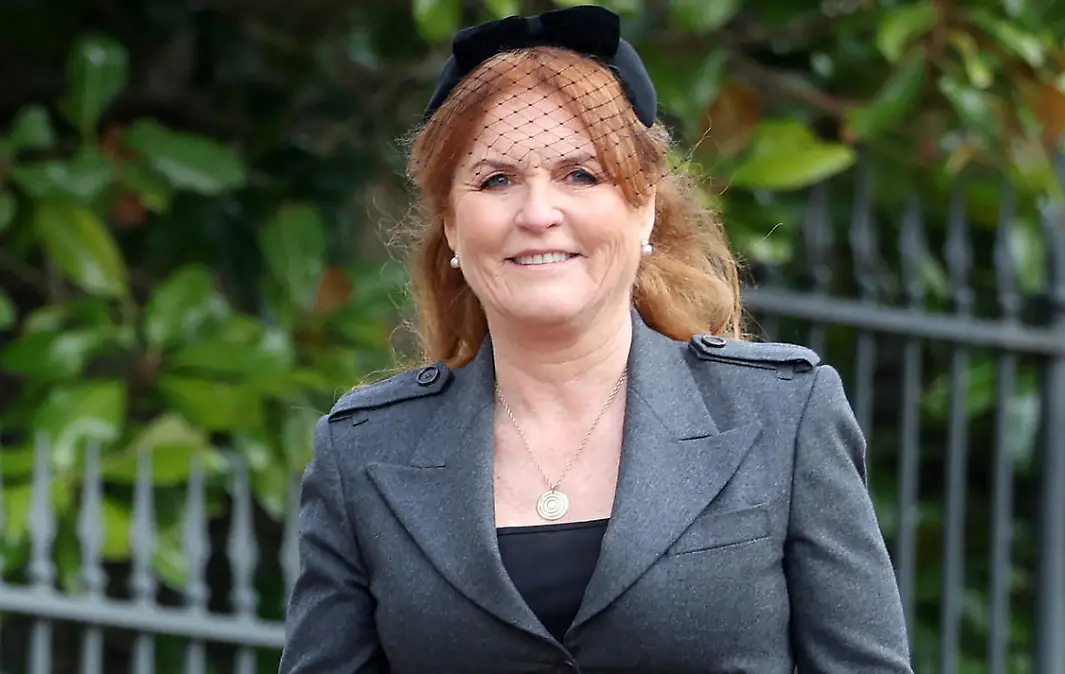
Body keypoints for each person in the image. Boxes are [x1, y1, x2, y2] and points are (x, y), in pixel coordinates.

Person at [278, 5, 912, 673]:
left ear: (645, 208)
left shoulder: (784, 415)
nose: (538, 214)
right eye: (497, 180)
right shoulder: (364, 453)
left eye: (581, 174)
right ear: (453, 227)